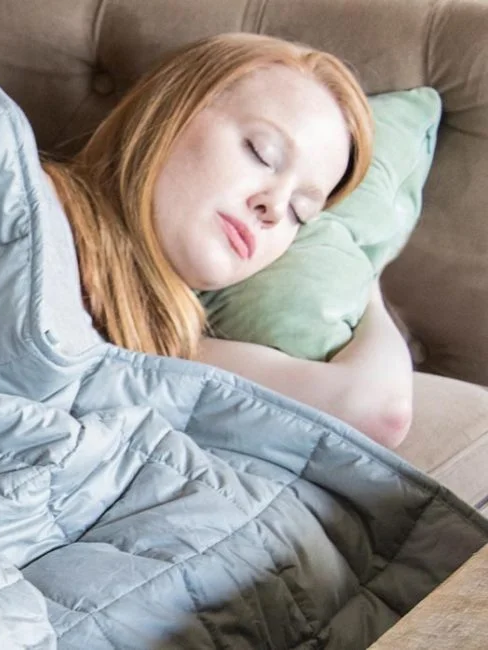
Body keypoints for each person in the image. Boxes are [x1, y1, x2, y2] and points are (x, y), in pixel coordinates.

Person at [43, 33, 413, 448]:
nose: (274, 207)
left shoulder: (169, 349)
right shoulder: (24, 198)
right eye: (261, 153)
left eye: (300, 211)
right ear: (168, 111)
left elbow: (379, 411)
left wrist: (367, 280)